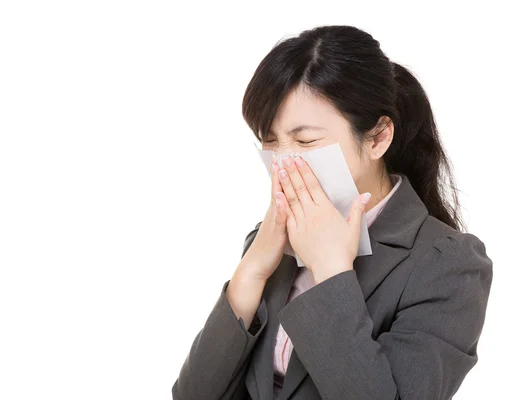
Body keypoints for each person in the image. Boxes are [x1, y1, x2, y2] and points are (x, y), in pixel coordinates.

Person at [172, 25, 493, 400]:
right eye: (270, 141)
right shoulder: (270, 245)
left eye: (306, 140)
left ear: (377, 138)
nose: (285, 161)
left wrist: (330, 274)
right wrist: (252, 271)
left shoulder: (448, 264)